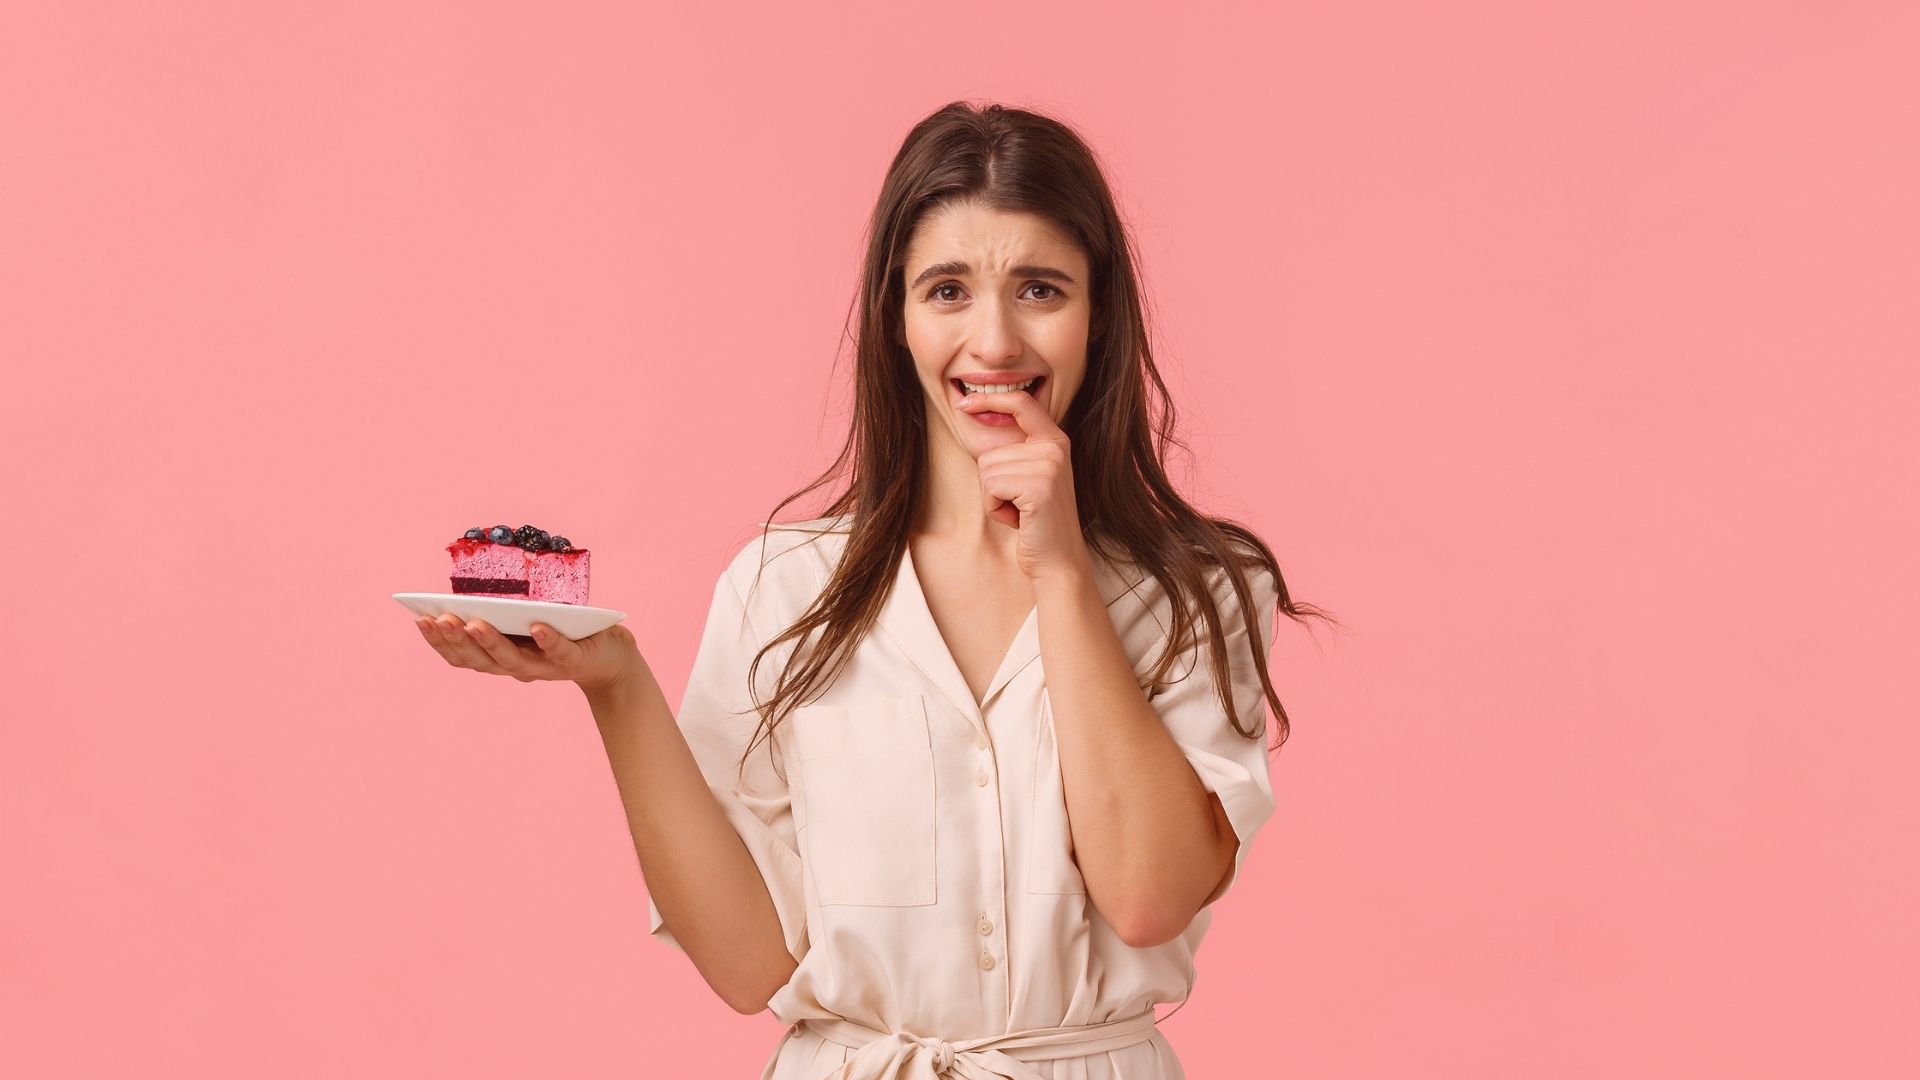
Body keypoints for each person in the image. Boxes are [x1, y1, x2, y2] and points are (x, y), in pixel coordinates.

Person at [415, 100, 1334, 1079]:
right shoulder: (783, 588)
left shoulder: (1199, 592)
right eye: (947, 290)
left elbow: (1150, 897)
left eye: (1040, 289)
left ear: (1098, 313)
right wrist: (616, 684)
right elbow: (747, 965)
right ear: (896, 317)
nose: (994, 342)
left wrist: (1062, 569)